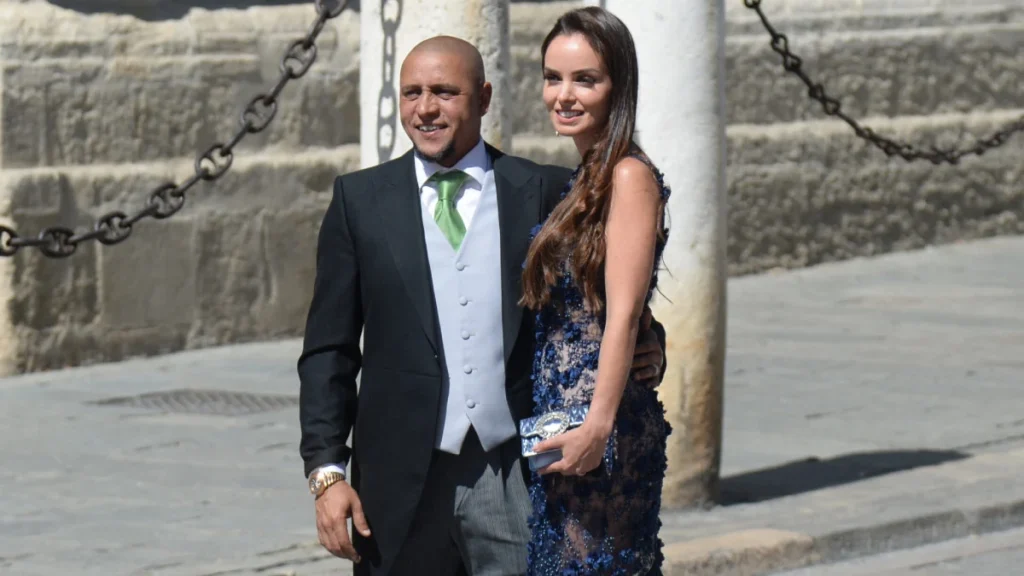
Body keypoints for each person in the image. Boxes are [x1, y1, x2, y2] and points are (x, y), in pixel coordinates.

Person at [297, 36, 668, 576]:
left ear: (485, 97)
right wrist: (326, 472)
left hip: (516, 472)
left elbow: (606, 298)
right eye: (412, 93)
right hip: (396, 484)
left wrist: (651, 344)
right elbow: (328, 350)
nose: (426, 108)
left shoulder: (545, 189)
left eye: (445, 92)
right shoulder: (359, 201)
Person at [519, 7, 672, 575]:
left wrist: (598, 427)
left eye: (585, 80)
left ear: (618, 87)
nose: (563, 95)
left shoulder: (628, 175)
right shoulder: (587, 176)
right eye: (553, 77)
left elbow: (625, 313)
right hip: (565, 420)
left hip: (598, 429)